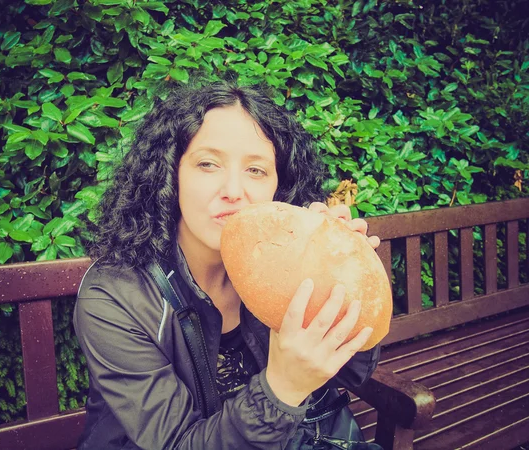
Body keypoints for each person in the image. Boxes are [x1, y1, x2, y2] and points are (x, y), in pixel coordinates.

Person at [73, 81, 383, 450]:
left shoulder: (279, 262)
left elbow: (355, 371)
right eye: (208, 164)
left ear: (278, 187)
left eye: (256, 170)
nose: (233, 190)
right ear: (170, 176)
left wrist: (343, 276)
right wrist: (283, 387)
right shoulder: (114, 296)